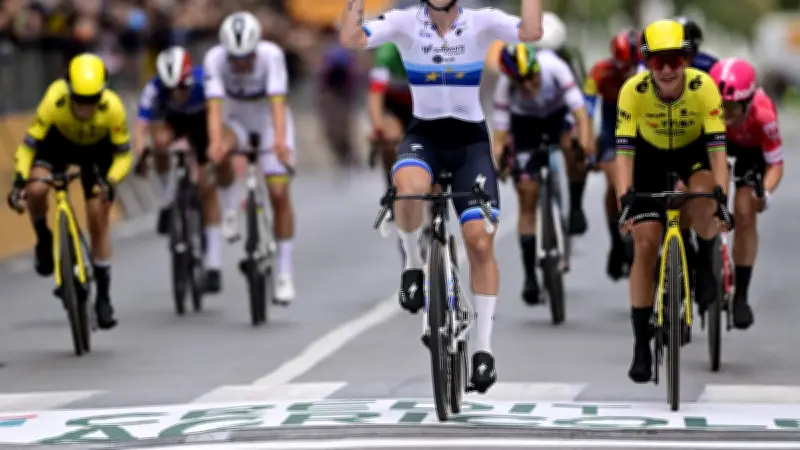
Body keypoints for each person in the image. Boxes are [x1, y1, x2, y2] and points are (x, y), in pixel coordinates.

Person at [339, 0, 543, 393]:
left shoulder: (481, 22)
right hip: (425, 137)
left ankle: (483, 351)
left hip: (469, 144)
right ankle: (413, 266)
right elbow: (352, 37)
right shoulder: (404, 23)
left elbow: (531, 33)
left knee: (480, 243)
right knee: (408, 191)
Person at [615, 19, 732, 384]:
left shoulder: (704, 88)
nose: (666, 70)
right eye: (657, 62)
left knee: (703, 203)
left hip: (692, 154)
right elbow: (624, 155)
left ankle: (708, 256)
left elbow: (717, 152)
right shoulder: (632, 91)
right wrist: (625, 200)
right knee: (645, 246)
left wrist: (723, 200)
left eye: (675, 61)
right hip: (649, 160)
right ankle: (640, 345)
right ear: (647, 64)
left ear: (686, 59)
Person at [7, 53, 133, 330]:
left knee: (98, 215)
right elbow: (29, 146)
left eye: (93, 100)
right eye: (80, 99)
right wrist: (19, 180)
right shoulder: (55, 99)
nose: (86, 108)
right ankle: (43, 237)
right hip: (58, 146)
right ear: (69, 90)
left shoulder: (113, 108)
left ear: (103, 93)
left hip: (96, 153)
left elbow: (124, 155)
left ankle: (103, 295)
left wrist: (110, 180)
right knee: (37, 189)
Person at [203, 11, 298, 305]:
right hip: (236, 116)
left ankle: (284, 273)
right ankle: (230, 208)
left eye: (247, 57)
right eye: (235, 57)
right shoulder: (214, 58)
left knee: (279, 193)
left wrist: (280, 143)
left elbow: (278, 102)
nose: (241, 63)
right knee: (220, 150)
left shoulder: (272, 56)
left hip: (268, 119)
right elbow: (215, 107)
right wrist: (216, 142)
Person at [493, 43, 592, 305]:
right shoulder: (505, 86)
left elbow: (581, 116)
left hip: (557, 116)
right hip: (525, 125)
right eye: (519, 81)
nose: (527, 86)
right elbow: (501, 134)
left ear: (538, 68)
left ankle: (576, 207)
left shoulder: (555, 68)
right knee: (527, 194)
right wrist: (500, 161)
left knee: (575, 148)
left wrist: (584, 146)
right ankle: (530, 276)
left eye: (531, 77)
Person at [133, 46, 225, 293]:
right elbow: (141, 126)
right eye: (170, 89)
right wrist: (142, 154)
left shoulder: (206, 81)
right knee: (159, 143)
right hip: (173, 123)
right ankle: (167, 201)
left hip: (202, 125)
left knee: (207, 187)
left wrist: (215, 146)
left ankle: (214, 264)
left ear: (189, 80)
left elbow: (216, 117)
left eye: (182, 88)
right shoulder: (153, 87)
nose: (177, 94)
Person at [709, 58, 784, 330]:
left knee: (744, 210)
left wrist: (765, 192)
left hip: (750, 154)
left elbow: (775, 163)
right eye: (720, 107)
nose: (725, 115)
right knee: (706, 193)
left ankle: (741, 295)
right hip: (715, 146)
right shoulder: (703, 108)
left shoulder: (763, 114)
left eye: (731, 108)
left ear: (749, 102)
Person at [583, 29, 641, 281]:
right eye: (622, 66)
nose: (626, 72)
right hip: (612, 132)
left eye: (631, 66)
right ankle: (616, 242)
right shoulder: (598, 72)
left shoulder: (649, 72)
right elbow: (586, 110)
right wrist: (585, 143)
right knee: (614, 180)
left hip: (642, 130)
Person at [533, 11, 589, 236]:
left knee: (573, 149)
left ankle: (575, 206)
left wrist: (581, 137)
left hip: (562, 114)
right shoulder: (521, 56)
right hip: (531, 118)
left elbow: (580, 98)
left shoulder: (569, 59)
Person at [368, 42, 411, 189]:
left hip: (423, 104)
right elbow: (376, 93)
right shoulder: (387, 53)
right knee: (390, 138)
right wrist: (377, 124)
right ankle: (391, 183)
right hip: (394, 104)